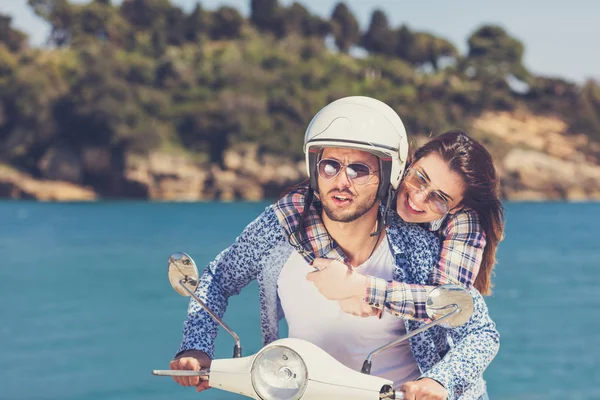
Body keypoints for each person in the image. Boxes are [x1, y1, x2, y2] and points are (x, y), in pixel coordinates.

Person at [169, 96, 499, 400]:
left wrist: (440, 380)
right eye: (330, 166)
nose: (341, 182)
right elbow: (218, 278)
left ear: (387, 175)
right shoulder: (282, 228)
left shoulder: (419, 250)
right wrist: (196, 345)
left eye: (359, 169)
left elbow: (480, 330)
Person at [303, 130, 505, 322]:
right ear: (413, 161)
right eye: (420, 177)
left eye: (439, 198)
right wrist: (339, 271)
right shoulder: (388, 174)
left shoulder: (466, 223)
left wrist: (359, 288)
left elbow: (447, 305)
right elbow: (293, 204)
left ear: (457, 207)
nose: (419, 197)